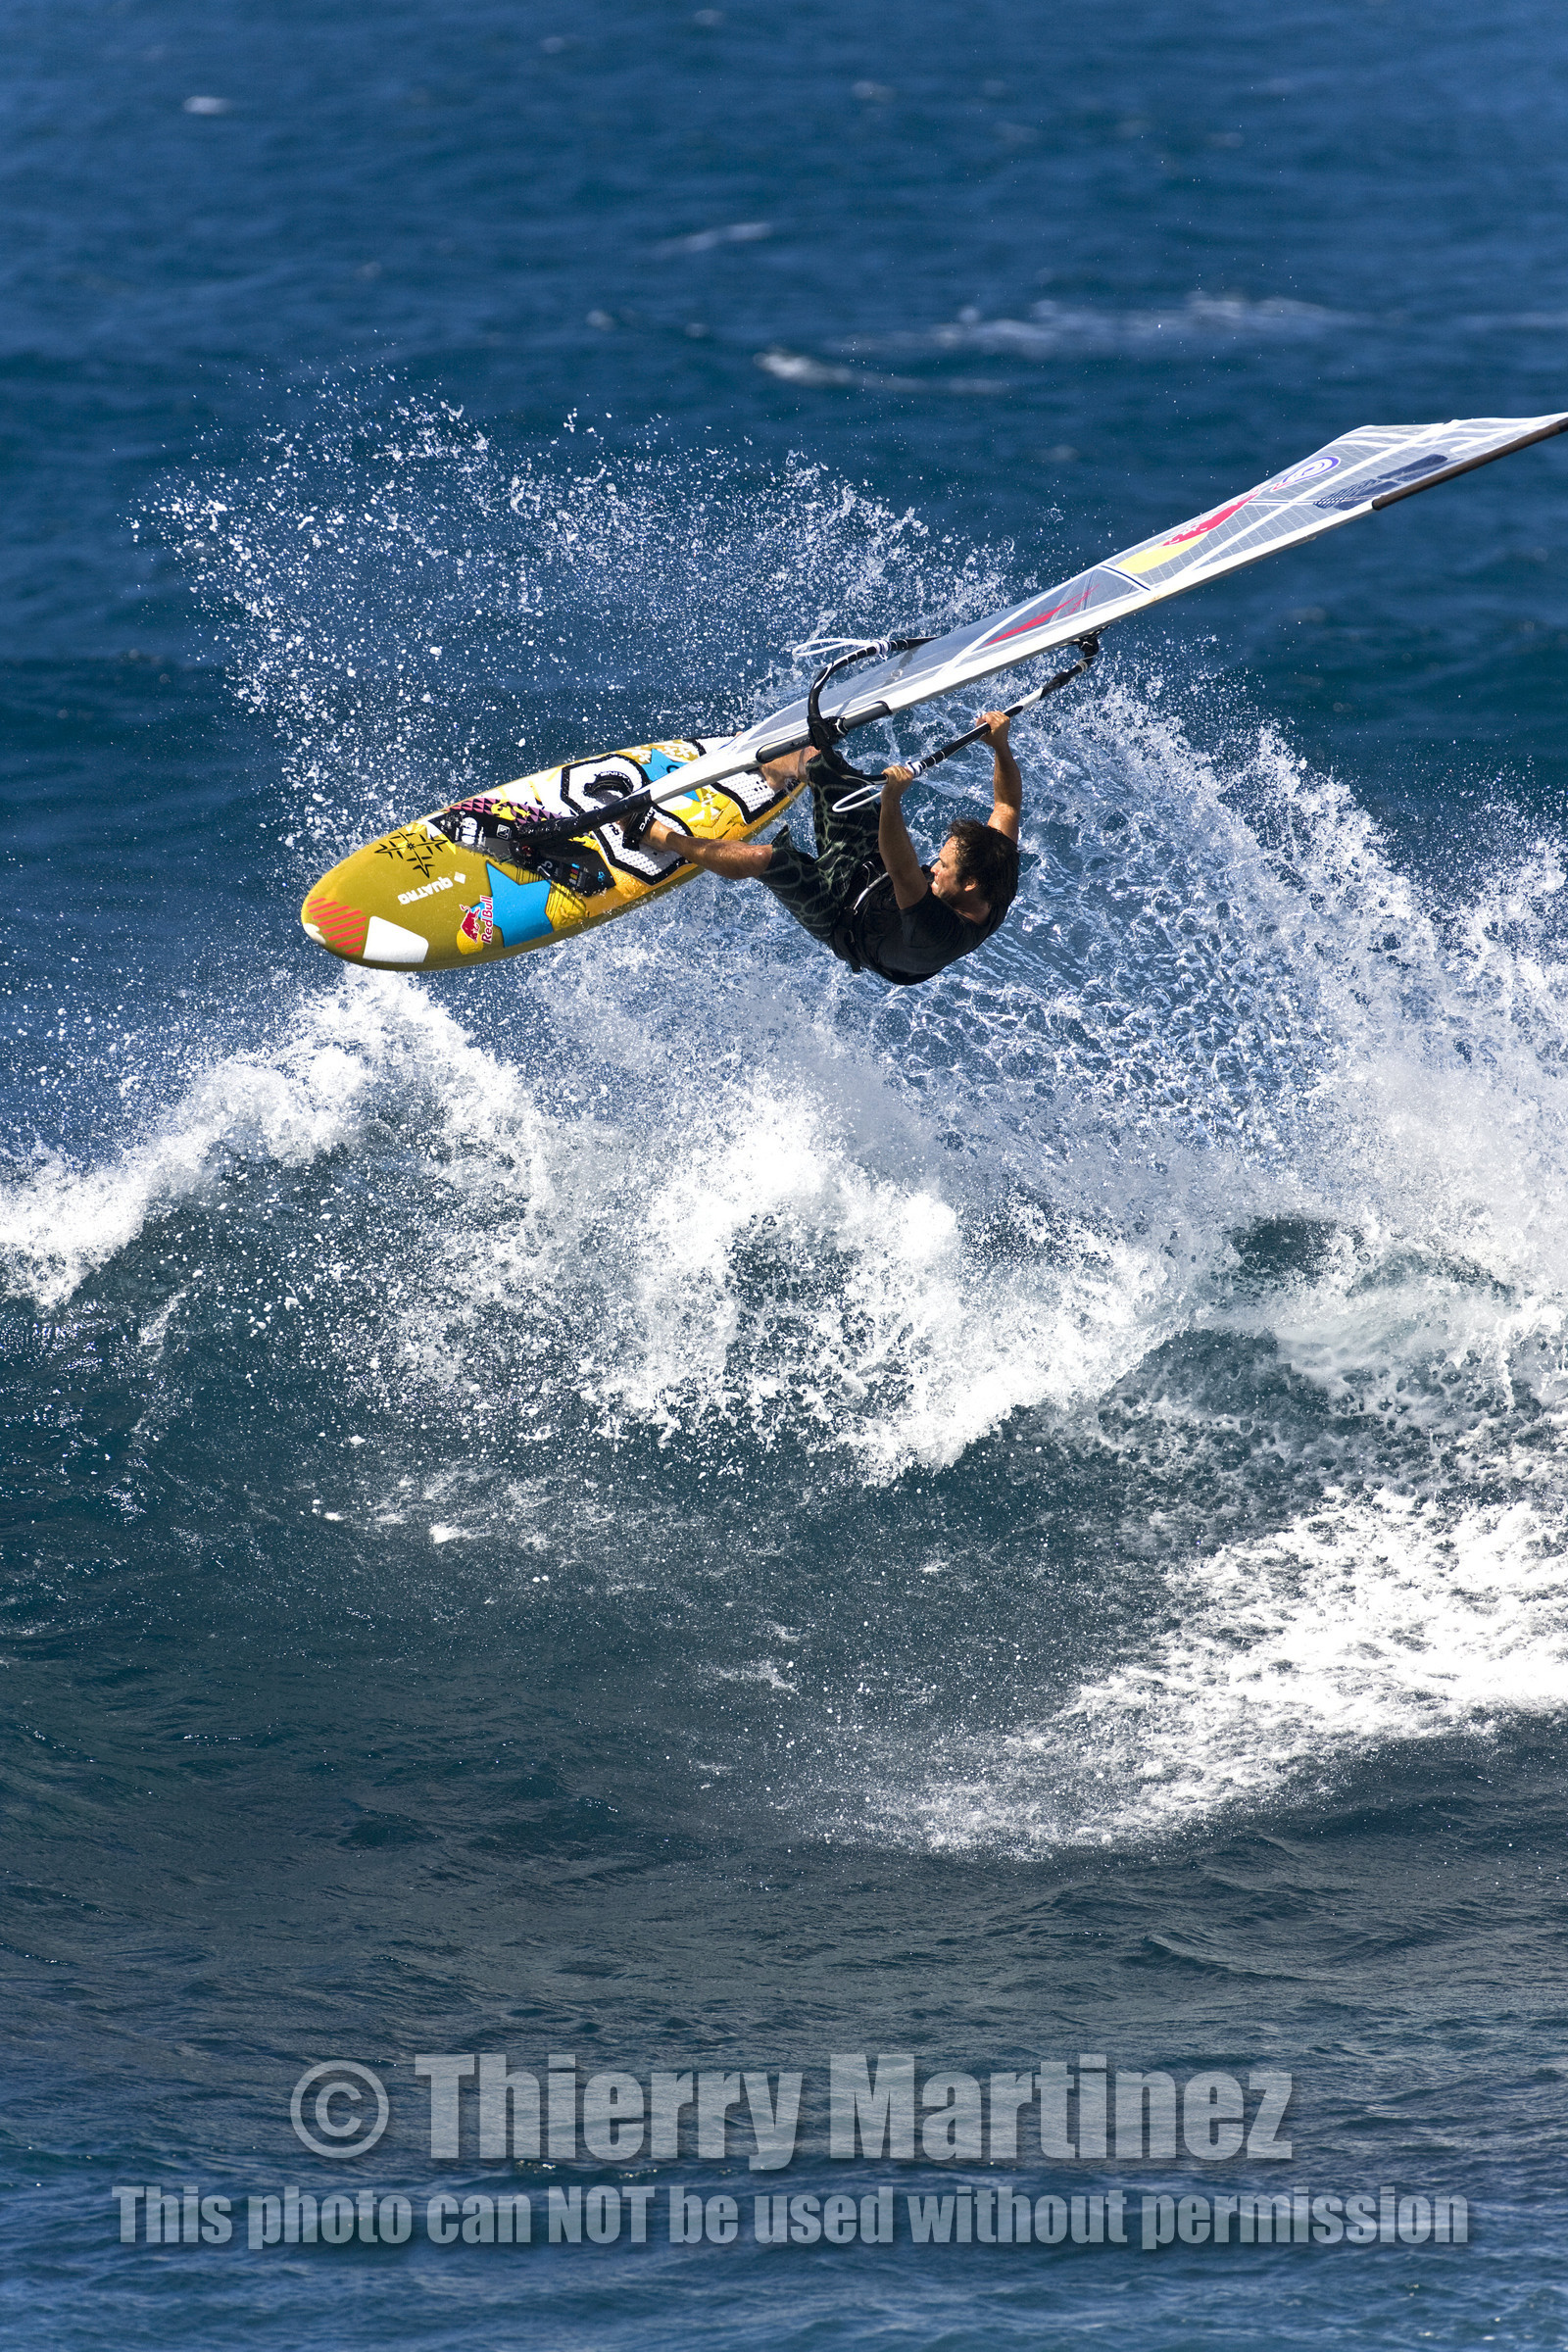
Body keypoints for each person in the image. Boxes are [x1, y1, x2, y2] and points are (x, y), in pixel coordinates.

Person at [640, 712, 1022, 987]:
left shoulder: (940, 933)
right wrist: (1000, 745)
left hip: (840, 917)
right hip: (872, 869)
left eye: (943, 866)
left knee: (762, 859)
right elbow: (1006, 807)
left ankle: (656, 835)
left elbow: (904, 867)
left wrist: (892, 799)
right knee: (818, 761)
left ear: (970, 884)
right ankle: (775, 770)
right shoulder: (996, 865)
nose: (934, 868)